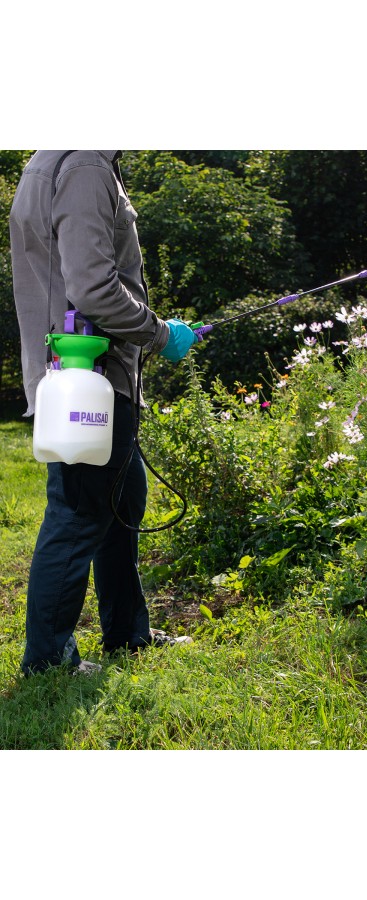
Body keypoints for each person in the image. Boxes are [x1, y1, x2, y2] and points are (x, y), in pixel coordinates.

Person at [10, 150, 197, 676]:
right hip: (88, 375)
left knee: (122, 499)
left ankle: (127, 634)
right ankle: (48, 662)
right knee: (79, 512)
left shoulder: (62, 158)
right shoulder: (85, 165)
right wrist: (160, 334)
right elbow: (92, 287)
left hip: (87, 375)